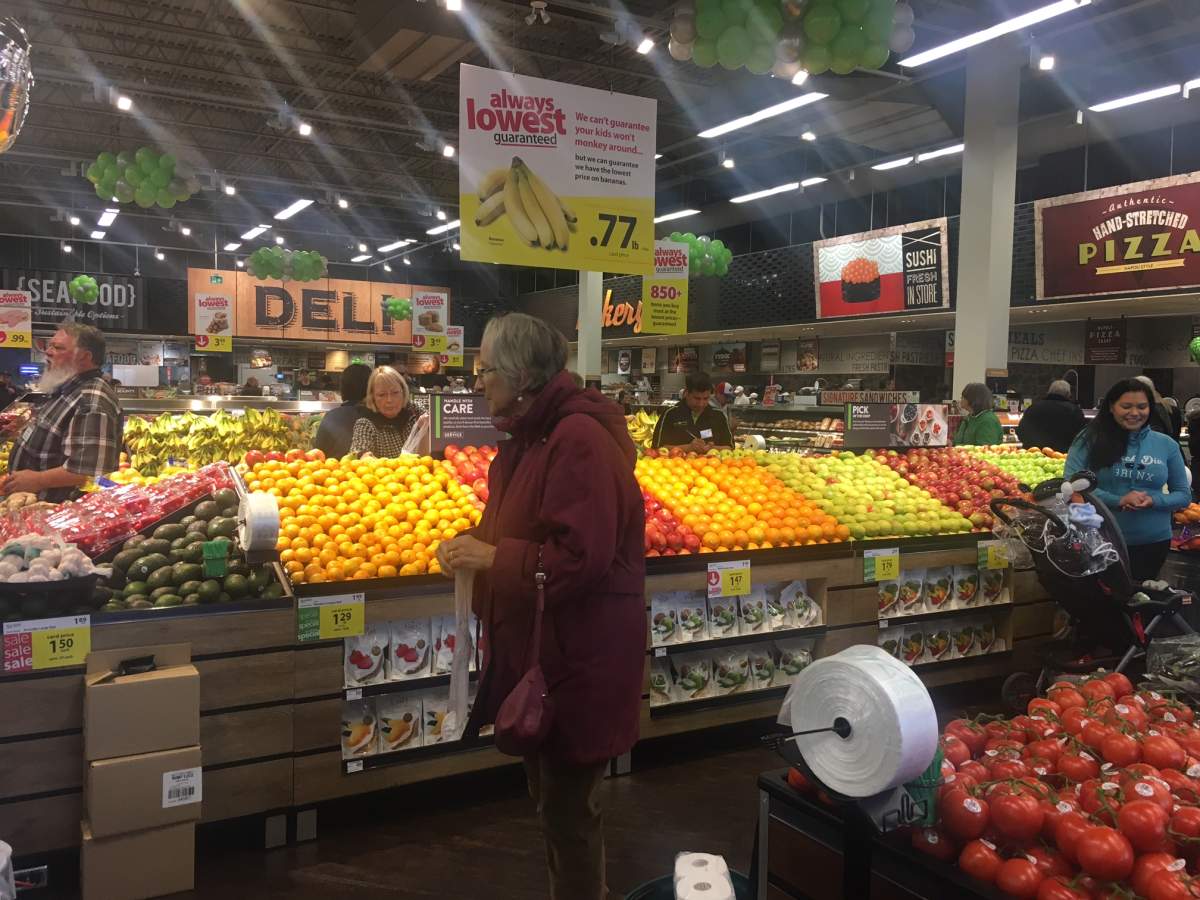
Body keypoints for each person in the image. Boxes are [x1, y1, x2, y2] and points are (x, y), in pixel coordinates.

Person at [434, 313, 644, 900]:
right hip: (549, 651)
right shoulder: (531, 438)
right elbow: (518, 531)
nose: (477, 384)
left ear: (522, 375)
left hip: (580, 656)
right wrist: (471, 550)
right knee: (554, 803)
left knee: (568, 812)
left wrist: (492, 557)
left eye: (485, 372)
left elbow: (581, 557)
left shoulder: (578, 439)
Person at [1066, 378, 1190, 582]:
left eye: (1142, 407)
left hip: (1153, 542)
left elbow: (1183, 496)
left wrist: (1155, 500)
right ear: (1111, 408)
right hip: (1101, 540)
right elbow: (1072, 484)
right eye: (1126, 406)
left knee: (1142, 604)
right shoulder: (1089, 438)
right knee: (1104, 607)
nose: (1135, 413)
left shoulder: (1166, 444)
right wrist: (1119, 500)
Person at [1, 323, 121, 502]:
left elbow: (88, 469)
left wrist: (38, 480)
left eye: (58, 347)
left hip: (54, 514)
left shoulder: (91, 400)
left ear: (84, 357)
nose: (48, 352)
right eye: (50, 346)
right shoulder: (66, 389)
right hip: (30, 508)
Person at [349, 365, 426, 457]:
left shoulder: (414, 411)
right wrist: (363, 456)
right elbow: (358, 452)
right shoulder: (366, 423)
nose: (389, 400)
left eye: (395, 393)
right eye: (382, 395)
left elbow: (439, 428)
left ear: (403, 391)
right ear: (373, 397)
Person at [650, 371, 734, 451]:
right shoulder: (670, 414)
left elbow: (730, 447)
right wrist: (688, 448)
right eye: (697, 398)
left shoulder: (718, 416)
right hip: (675, 465)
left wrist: (712, 448)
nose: (701, 404)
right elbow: (657, 447)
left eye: (705, 398)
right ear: (686, 393)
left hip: (713, 465)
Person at [313, 363, 371, 459]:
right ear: (370, 388)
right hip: (370, 472)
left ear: (343, 388)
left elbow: (318, 453)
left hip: (333, 471)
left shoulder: (331, 416)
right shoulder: (376, 417)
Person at [1015, 379, 1086, 452]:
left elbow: (1020, 432)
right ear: (1068, 394)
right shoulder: (1074, 411)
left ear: (1049, 392)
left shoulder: (1033, 408)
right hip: (1062, 456)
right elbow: (1081, 437)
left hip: (1034, 455)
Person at [954, 382, 1004, 446]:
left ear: (973, 398)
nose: (961, 399)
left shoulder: (988, 420)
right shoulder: (969, 417)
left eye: (963, 397)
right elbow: (959, 442)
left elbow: (985, 450)